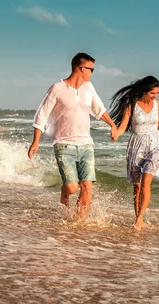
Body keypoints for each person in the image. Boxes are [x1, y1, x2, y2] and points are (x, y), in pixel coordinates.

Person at [28, 53, 118, 219]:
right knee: (71, 187)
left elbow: (99, 109)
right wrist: (36, 142)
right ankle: (64, 193)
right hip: (64, 144)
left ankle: (77, 221)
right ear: (82, 68)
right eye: (91, 69)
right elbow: (42, 114)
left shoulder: (89, 87)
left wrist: (112, 125)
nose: (92, 73)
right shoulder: (57, 88)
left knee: (86, 186)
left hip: (86, 145)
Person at [109, 76, 159, 229]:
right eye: (152, 93)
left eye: (157, 93)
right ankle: (138, 218)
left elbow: (158, 122)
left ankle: (140, 218)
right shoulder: (131, 106)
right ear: (144, 91)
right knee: (137, 186)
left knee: (147, 181)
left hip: (156, 145)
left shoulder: (157, 104)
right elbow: (123, 126)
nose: (155, 96)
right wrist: (116, 133)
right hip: (137, 146)